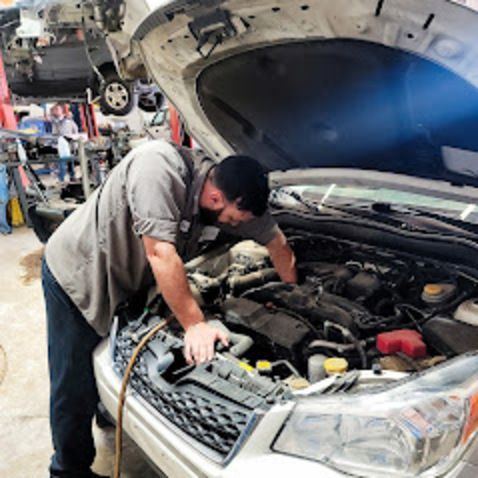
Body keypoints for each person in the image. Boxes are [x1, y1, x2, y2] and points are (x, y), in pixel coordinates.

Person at [42, 140, 297, 478]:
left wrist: (294, 292)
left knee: (98, 363)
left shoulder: (234, 195)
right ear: (217, 198)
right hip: (80, 274)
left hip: (128, 279)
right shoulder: (157, 167)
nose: (235, 226)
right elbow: (161, 253)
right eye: (233, 220)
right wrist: (194, 325)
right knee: (72, 381)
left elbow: (276, 243)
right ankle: (67, 470)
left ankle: (106, 410)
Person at [50, 104, 79, 183]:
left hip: (69, 143)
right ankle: (61, 179)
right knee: (62, 162)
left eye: (57, 110)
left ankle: (72, 176)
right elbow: (54, 133)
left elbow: (75, 129)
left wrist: (74, 140)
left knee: (70, 162)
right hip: (61, 145)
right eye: (55, 110)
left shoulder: (68, 120)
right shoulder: (55, 121)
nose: (56, 112)